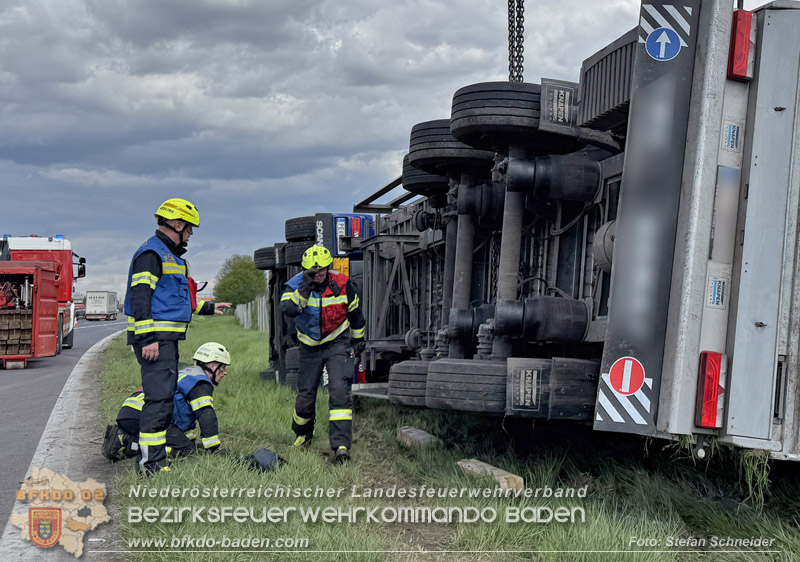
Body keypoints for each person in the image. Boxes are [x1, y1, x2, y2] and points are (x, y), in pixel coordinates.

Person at [124, 198, 230, 474]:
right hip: (155, 341)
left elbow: (175, 301)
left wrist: (208, 307)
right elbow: (141, 296)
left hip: (165, 340)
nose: (191, 234)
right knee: (158, 401)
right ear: (178, 224)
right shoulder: (152, 254)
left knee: (164, 400)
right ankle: (151, 466)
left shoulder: (171, 257)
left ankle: (155, 460)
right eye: (190, 228)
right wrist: (147, 339)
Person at [280, 244, 365, 463]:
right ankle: (302, 435)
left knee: (339, 390)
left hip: (337, 342)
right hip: (309, 346)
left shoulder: (343, 284)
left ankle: (341, 446)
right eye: (313, 271)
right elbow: (289, 309)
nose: (318, 274)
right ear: (304, 269)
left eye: (322, 270)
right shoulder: (294, 285)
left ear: (328, 267)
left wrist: (358, 340)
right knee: (305, 395)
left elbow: (355, 314)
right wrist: (305, 288)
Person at [102, 343, 232, 462]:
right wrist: (214, 449)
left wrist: (189, 441)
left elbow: (183, 423)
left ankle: (126, 438)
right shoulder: (200, 383)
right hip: (145, 414)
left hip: (133, 411)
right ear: (212, 365)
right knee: (185, 451)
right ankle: (126, 442)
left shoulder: (186, 374)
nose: (225, 372)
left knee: (185, 446)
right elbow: (206, 415)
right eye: (223, 367)